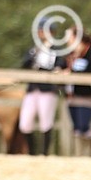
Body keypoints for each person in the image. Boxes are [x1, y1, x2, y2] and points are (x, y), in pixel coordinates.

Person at [19, 19, 68, 156]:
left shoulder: (56, 50)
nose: (40, 33)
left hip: (47, 89)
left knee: (46, 123)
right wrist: (34, 54)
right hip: (32, 88)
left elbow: (60, 65)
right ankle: (32, 153)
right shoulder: (34, 49)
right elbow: (24, 65)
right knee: (25, 123)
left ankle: (45, 153)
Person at [65, 29, 91, 157]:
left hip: (87, 97)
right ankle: (79, 156)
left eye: (69, 36)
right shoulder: (71, 54)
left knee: (84, 127)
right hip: (73, 96)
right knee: (77, 128)